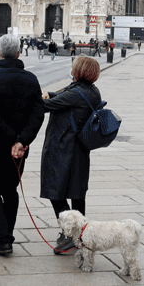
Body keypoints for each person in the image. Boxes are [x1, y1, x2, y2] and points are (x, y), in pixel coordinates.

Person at [0, 34, 45, 255]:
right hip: (18, 150)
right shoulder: (31, 79)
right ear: (19, 53)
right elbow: (37, 115)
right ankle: (6, 236)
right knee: (10, 189)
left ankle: (2, 238)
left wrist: (10, 138)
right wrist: (21, 141)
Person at [40, 56, 103, 255]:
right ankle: (80, 234)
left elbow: (46, 106)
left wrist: (38, 96)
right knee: (76, 193)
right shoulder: (90, 90)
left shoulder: (77, 93)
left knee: (55, 192)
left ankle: (71, 234)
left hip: (64, 149)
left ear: (79, 71)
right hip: (78, 149)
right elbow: (60, 95)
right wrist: (50, 93)